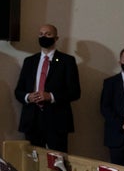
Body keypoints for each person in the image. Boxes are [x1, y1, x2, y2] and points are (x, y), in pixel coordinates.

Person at [14, 24, 81, 153]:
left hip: (57, 121)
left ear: (56, 38)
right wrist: (28, 97)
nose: (44, 36)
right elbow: (18, 91)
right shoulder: (29, 61)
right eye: (41, 34)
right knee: (33, 163)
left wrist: (50, 96)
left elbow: (75, 92)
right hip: (32, 121)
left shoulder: (67, 61)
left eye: (48, 34)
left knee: (57, 163)